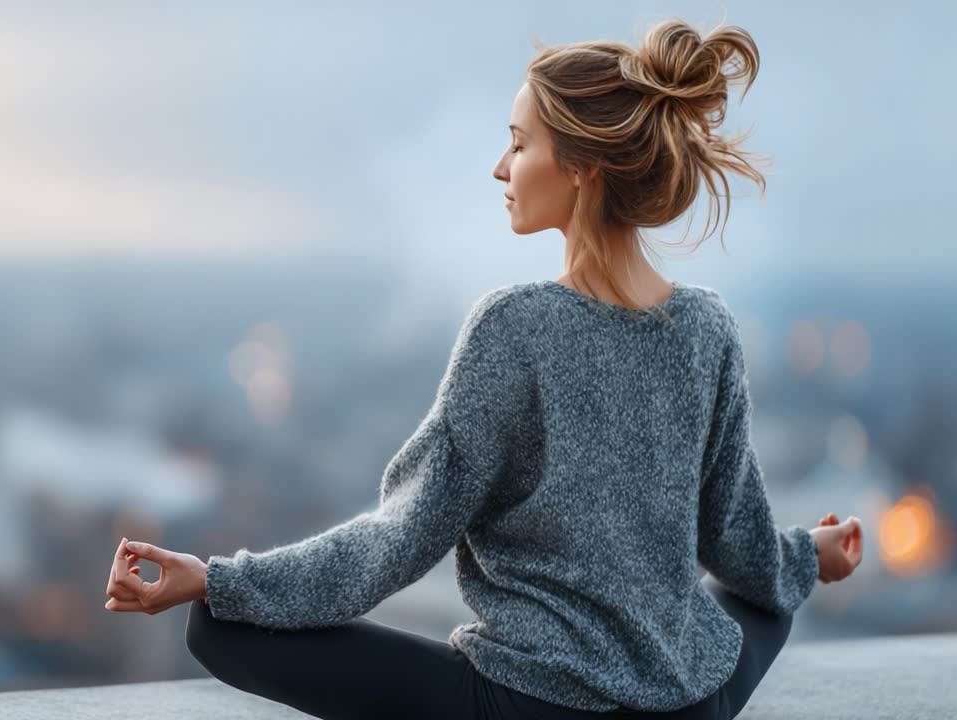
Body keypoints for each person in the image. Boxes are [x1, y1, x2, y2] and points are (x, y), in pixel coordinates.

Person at [103, 16, 865, 720]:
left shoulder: (515, 326)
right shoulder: (708, 328)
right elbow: (738, 542)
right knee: (766, 597)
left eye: (519, 144)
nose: (501, 167)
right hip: (690, 705)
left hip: (532, 706)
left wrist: (219, 579)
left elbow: (402, 538)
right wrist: (810, 556)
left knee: (218, 626)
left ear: (583, 167)